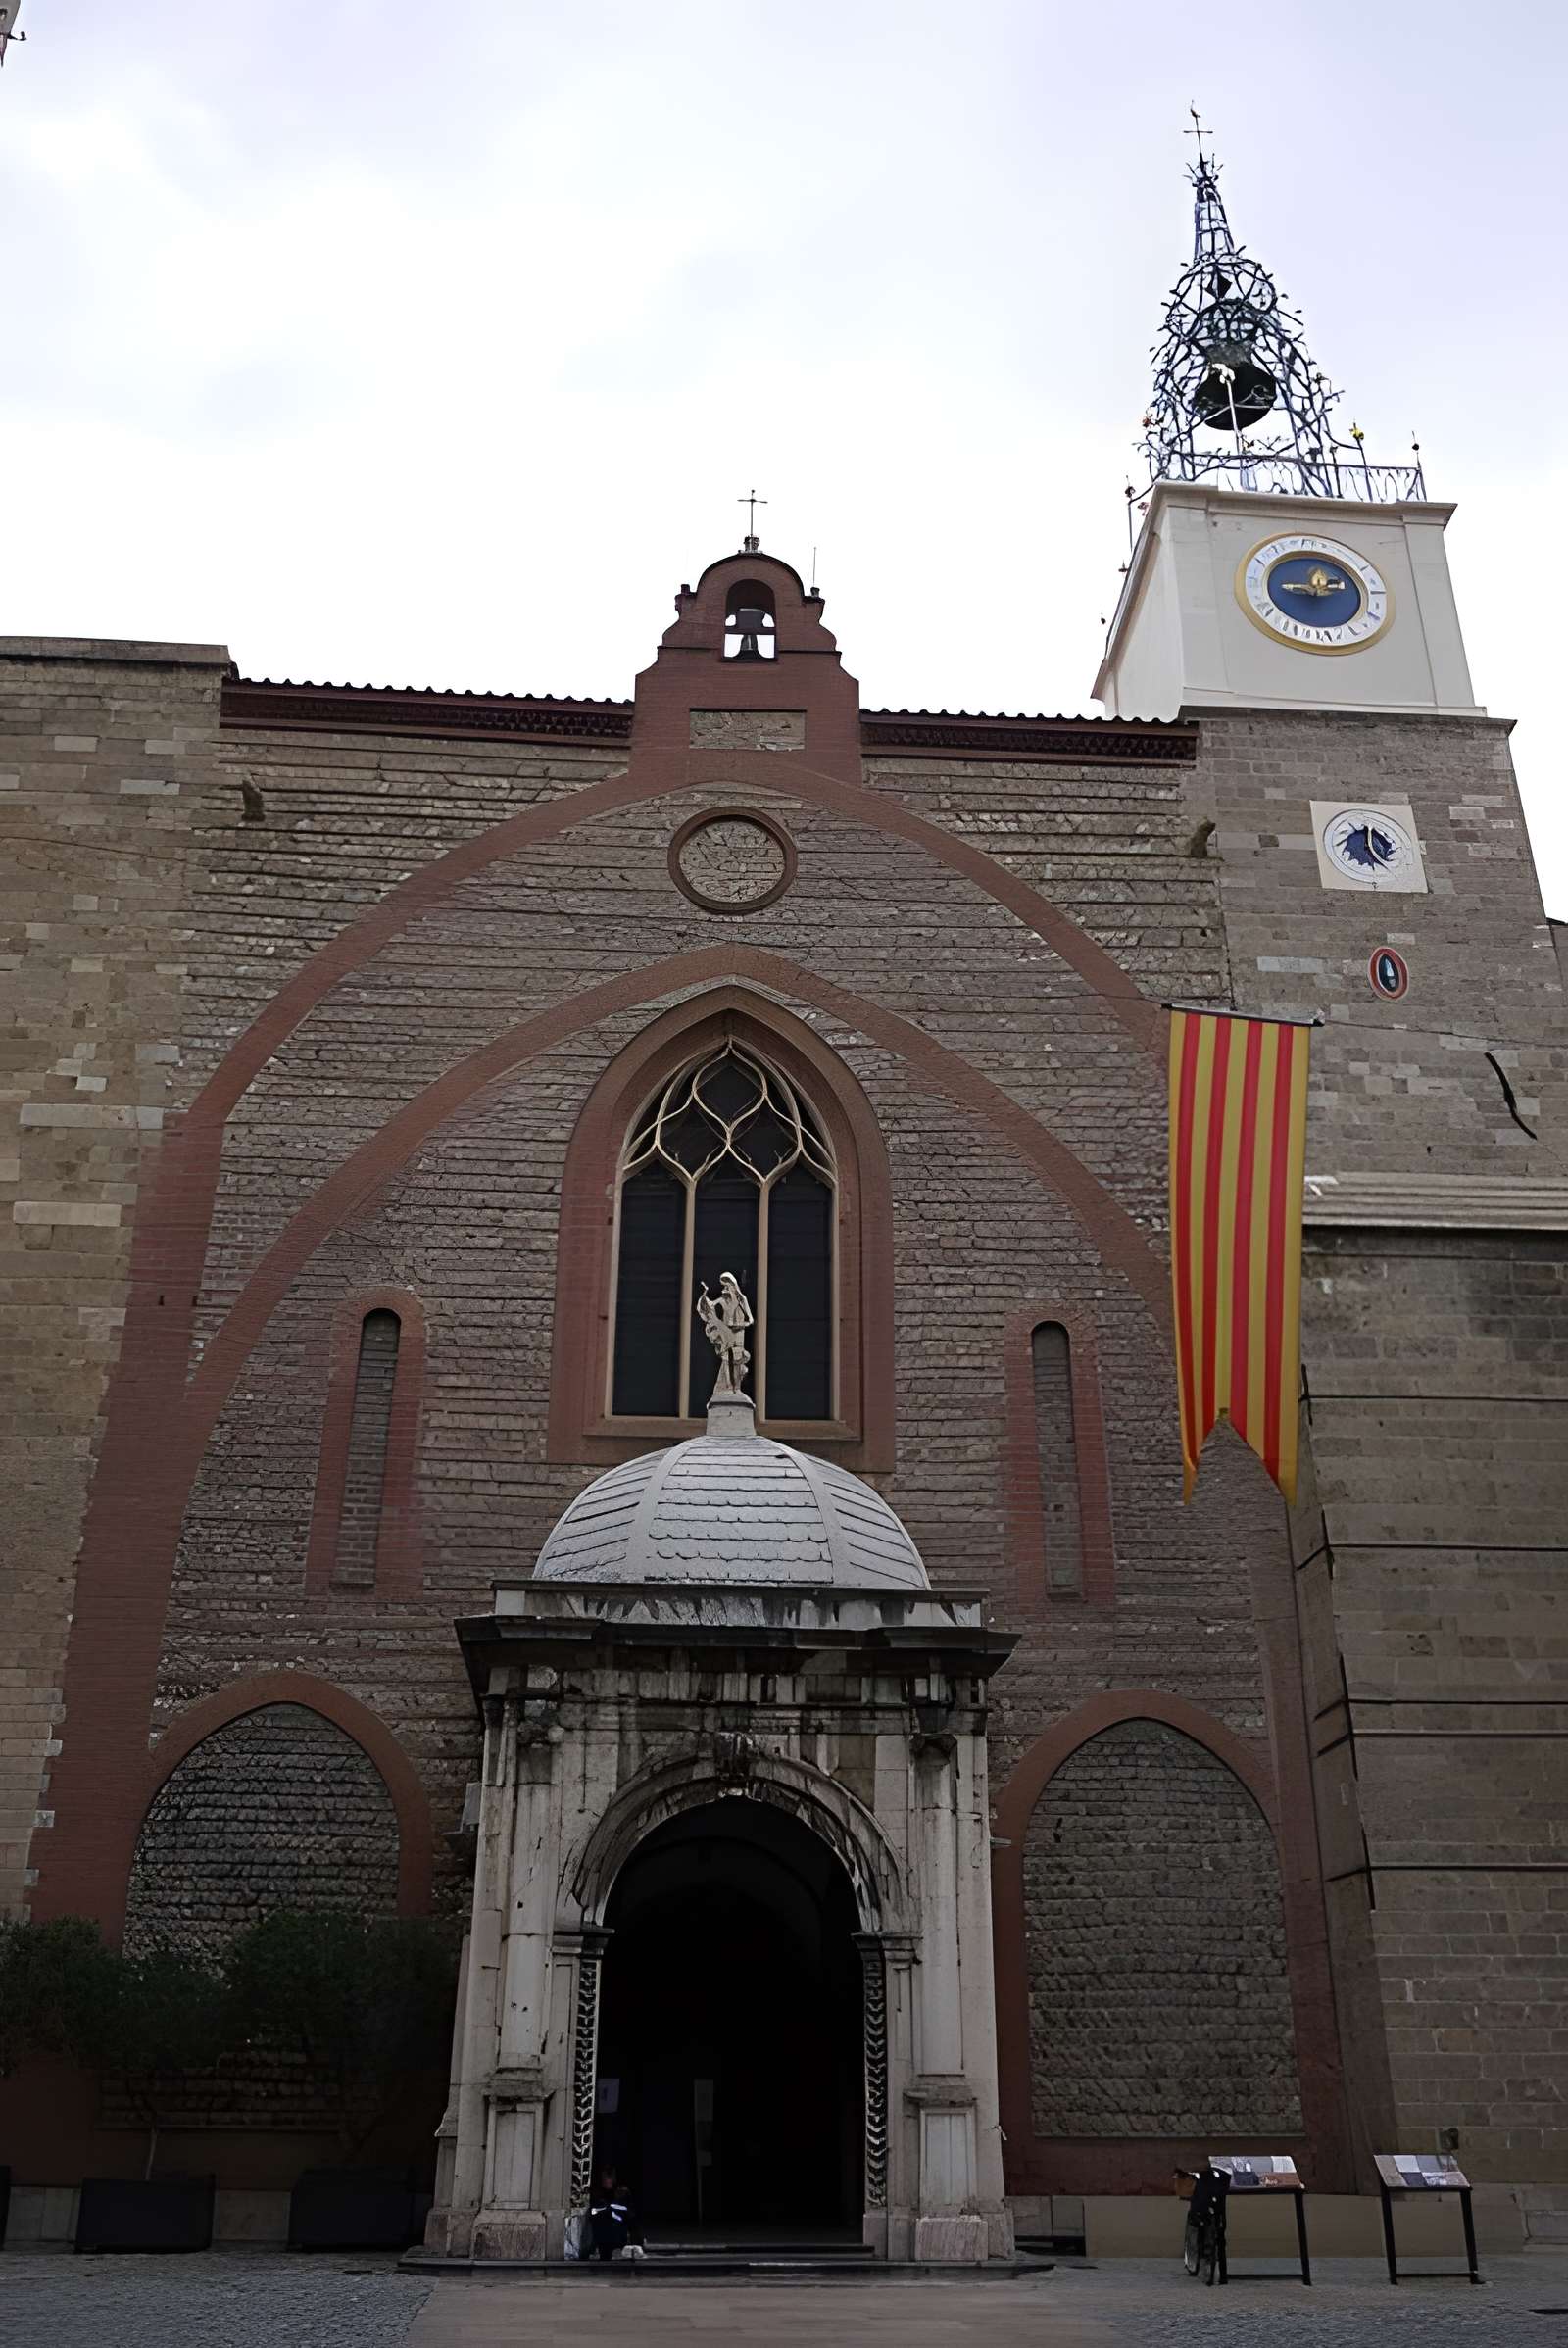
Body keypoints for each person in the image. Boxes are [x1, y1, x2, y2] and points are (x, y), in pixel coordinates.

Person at [586, 2164, 642, 2262]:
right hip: (603, 2229)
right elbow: (594, 2212)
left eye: (610, 2177)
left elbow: (629, 2215)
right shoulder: (597, 2193)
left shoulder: (621, 2193)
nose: (607, 2180)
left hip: (617, 2228)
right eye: (605, 2178)